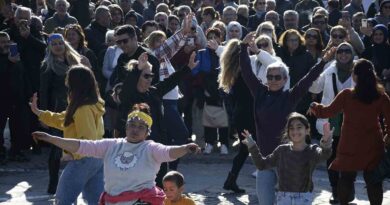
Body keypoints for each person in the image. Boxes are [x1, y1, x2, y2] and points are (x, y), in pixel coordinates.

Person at [32, 103, 200, 205]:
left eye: (141, 127)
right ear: (126, 127)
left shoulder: (150, 148)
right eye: (132, 125)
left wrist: (185, 147)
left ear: (147, 132)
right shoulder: (112, 145)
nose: (135, 129)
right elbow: (81, 146)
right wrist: (51, 138)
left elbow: (169, 152)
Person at [239, 32, 334, 204]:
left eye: (277, 77)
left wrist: (323, 62)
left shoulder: (290, 96)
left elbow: (308, 79)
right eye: (270, 77)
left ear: (285, 79)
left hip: (289, 160)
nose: (273, 80)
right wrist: (243, 46)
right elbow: (246, 71)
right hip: (265, 159)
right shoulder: (260, 92)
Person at [308, 59, 390, 205]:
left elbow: (327, 112)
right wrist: (386, 137)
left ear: (355, 76)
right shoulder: (381, 97)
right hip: (373, 144)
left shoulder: (346, 95)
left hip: (349, 143)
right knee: (374, 182)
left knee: (346, 178)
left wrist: (315, 106)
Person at [31, 66, 105, 204]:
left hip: (83, 161)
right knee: (97, 202)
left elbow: (87, 140)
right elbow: (63, 120)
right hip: (96, 160)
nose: (66, 83)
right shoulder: (88, 104)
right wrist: (39, 112)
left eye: (68, 81)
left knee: (63, 201)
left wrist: (73, 154)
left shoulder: (83, 109)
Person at [218, 35, 279, 193]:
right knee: (260, 147)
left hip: (243, 114)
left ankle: (231, 180)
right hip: (250, 115)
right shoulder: (244, 69)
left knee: (247, 149)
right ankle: (268, 181)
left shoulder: (234, 70)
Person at [39, 33, 91, 194]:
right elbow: (43, 91)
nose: (58, 46)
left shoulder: (76, 60)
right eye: (54, 43)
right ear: (49, 47)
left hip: (79, 109)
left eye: (60, 42)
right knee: (57, 148)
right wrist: (42, 115)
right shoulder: (47, 65)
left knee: (81, 146)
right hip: (59, 111)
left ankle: (79, 184)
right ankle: (53, 185)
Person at [242, 113, 332, 204]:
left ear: (307, 130)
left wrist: (326, 142)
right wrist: (252, 146)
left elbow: (325, 155)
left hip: (304, 199)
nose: (295, 131)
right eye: (291, 128)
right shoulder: (281, 150)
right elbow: (261, 165)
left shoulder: (312, 150)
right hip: (283, 199)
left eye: (299, 127)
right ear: (288, 132)